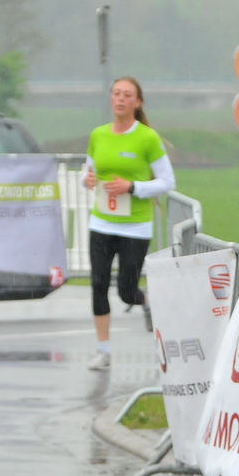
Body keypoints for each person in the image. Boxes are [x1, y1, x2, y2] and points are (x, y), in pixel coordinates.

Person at [82, 77, 174, 371]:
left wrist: (132, 187)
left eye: (127, 95)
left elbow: (167, 181)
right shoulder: (98, 135)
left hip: (134, 226)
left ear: (138, 102)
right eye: (116, 93)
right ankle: (103, 351)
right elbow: (88, 173)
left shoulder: (147, 138)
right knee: (97, 285)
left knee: (125, 291)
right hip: (101, 222)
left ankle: (144, 300)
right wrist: (87, 180)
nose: (120, 99)